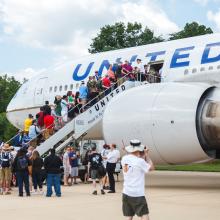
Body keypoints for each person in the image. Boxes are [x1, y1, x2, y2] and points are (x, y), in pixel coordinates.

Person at [121, 140, 154, 220]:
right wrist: (146, 155)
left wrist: (141, 155)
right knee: (144, 215)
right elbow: (151, 168)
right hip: (137, 193)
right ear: (139, 149)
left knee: (129, 216)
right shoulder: (140, 161)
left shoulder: (124, 158)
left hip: (126, 192)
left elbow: (135, 160)